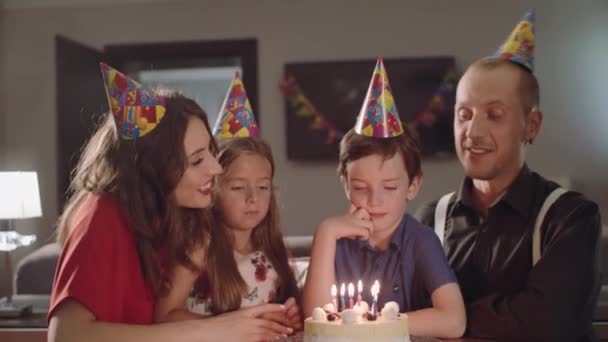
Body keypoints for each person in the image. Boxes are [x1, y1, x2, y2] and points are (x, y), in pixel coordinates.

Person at [48, 64, 292, 342]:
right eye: (198, 160)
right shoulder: (102, 214)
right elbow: (65, 335)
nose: (216, 168)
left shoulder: (178, 217)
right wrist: (219, 329)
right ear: (156, 166)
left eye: (211, 153)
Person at [415, 10, 602, 340]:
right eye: (464, 114)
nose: (473, 131)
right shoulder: (431, 221)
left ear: (532, 125)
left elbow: (548, 323)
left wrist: (447, 317)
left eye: (494, 114)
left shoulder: (570, 218)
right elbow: (406, 312)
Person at [302, 58, 466, 339]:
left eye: (389, 188)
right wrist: (326, 234)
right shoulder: (335, 241)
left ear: (413, 186)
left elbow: (454, 321)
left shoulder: (421, 241)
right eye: (361, 187)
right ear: (345, 183)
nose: (374, 201)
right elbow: (315, 323)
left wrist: (372, 323)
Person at [154, 73, 302, 334]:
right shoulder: (199, 244)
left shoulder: (272, 248)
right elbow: (164, 315)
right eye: (237, 187)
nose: (252, 198)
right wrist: (230, 329)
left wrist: (287, 315)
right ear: (212, 187)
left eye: (263, 187)